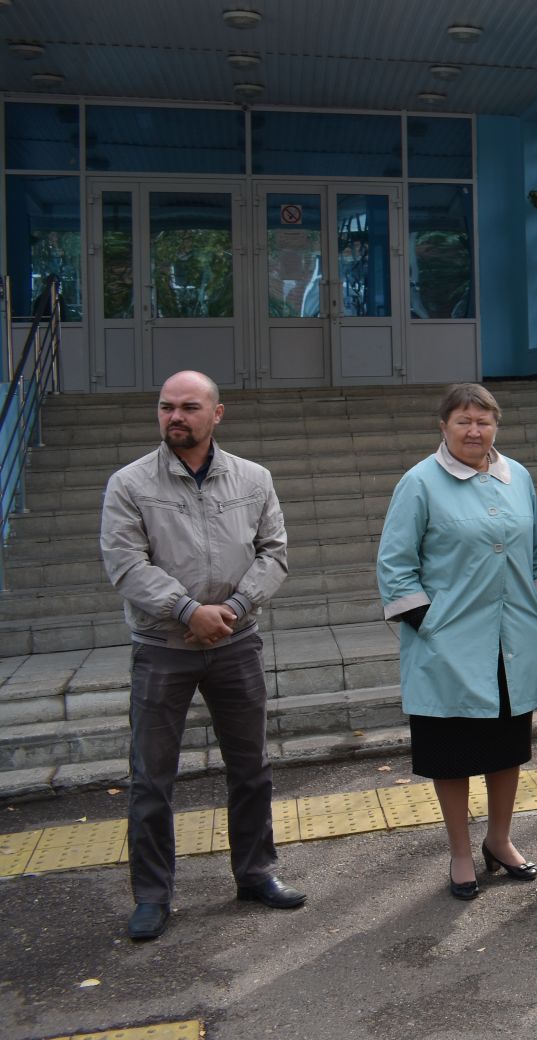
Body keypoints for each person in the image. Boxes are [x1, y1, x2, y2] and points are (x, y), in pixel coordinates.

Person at [100, 371, 301, 942]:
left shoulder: (254, 478)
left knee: (251, 766)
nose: (175, 417)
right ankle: (153, 896)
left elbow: (274, 553)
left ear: (217, 414)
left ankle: (256, 873)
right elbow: (125, 564)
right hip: (163, 647)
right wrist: (189, 611)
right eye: (166, 407)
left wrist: (231, 608)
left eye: (189, 407)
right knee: (152, 778)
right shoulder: (130, 484)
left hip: (236, 641)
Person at [377, 383, 537, 900]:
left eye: (484, 421)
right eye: (463, 421)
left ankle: (499, 841)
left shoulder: (517, 476)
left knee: (507, 750)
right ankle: (460, 852)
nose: (474, 431)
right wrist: (428, 627)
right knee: (451, 756)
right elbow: (396, 566)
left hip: (511, 643)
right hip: (448, 648)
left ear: (496, 426)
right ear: (444, 426)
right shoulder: (420, 482)